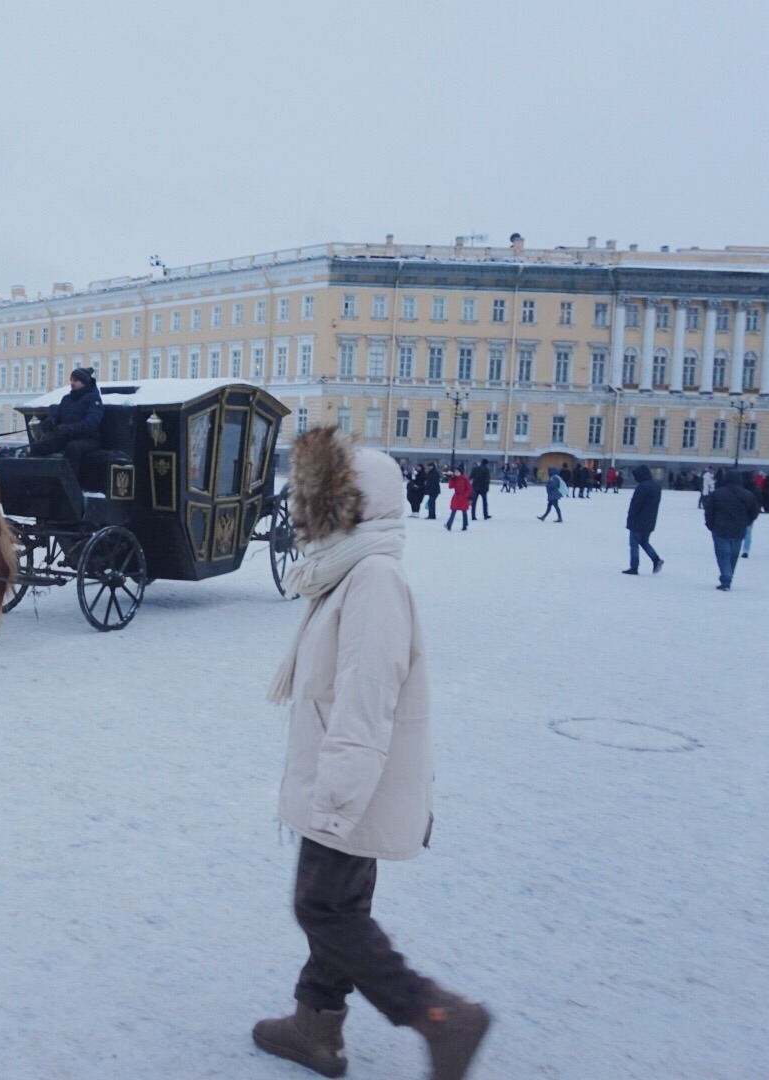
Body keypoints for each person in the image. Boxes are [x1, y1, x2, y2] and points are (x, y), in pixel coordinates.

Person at [256, 426, 490, 1080]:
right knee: (340, 907)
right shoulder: (351, 572)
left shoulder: (373, 581)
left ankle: (439, 1015)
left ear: (349, 507)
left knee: (322, 907)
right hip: (354, 782)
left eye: (315, 499)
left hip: (353, 785)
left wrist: (333, 805)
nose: (301, 513)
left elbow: (366, 703)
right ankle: (315, 1026)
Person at [28, 367, 103, 477]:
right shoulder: (66, 399)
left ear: (84, 382)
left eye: (75, 380)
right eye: (71, 380)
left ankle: (72, 484)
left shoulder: (93, 399)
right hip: (66, 437)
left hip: (88, 439)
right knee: (37, 447)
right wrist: (50, 422)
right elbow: (57, 415)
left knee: (73, 447)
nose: (72, 383)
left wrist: (69, 428)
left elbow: (92, 423)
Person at [702, 471, 759, 591]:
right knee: (733, 555)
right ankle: (728, 576)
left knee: (723, 554)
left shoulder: (717, 493)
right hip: (739, 528)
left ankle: (726, 577)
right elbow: (754, 511)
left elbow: (709, 510)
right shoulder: (747, 494)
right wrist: (746, 522)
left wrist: (710, 524)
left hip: (720, 527)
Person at [622, 465, 664, 575]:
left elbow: (636, 504)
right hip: (650, 519)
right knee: (644, 542)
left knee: (634, 544)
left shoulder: (642, 487)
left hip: (638, 520)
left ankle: (634, 567)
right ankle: (656, 559)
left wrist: (630, 515)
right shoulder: (656, 487)